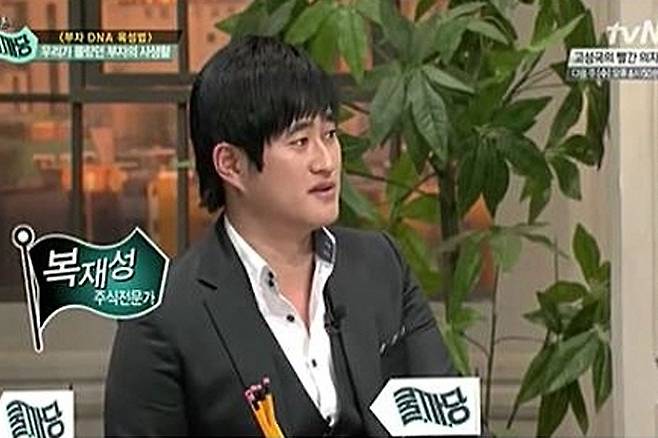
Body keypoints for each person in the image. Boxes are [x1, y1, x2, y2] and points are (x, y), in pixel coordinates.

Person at [104, 35, 466, 437]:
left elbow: (452, 424)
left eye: (330, 135)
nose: (326, 162)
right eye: (300, 142)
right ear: (231, 164)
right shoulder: (163, 313)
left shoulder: (381, 265)